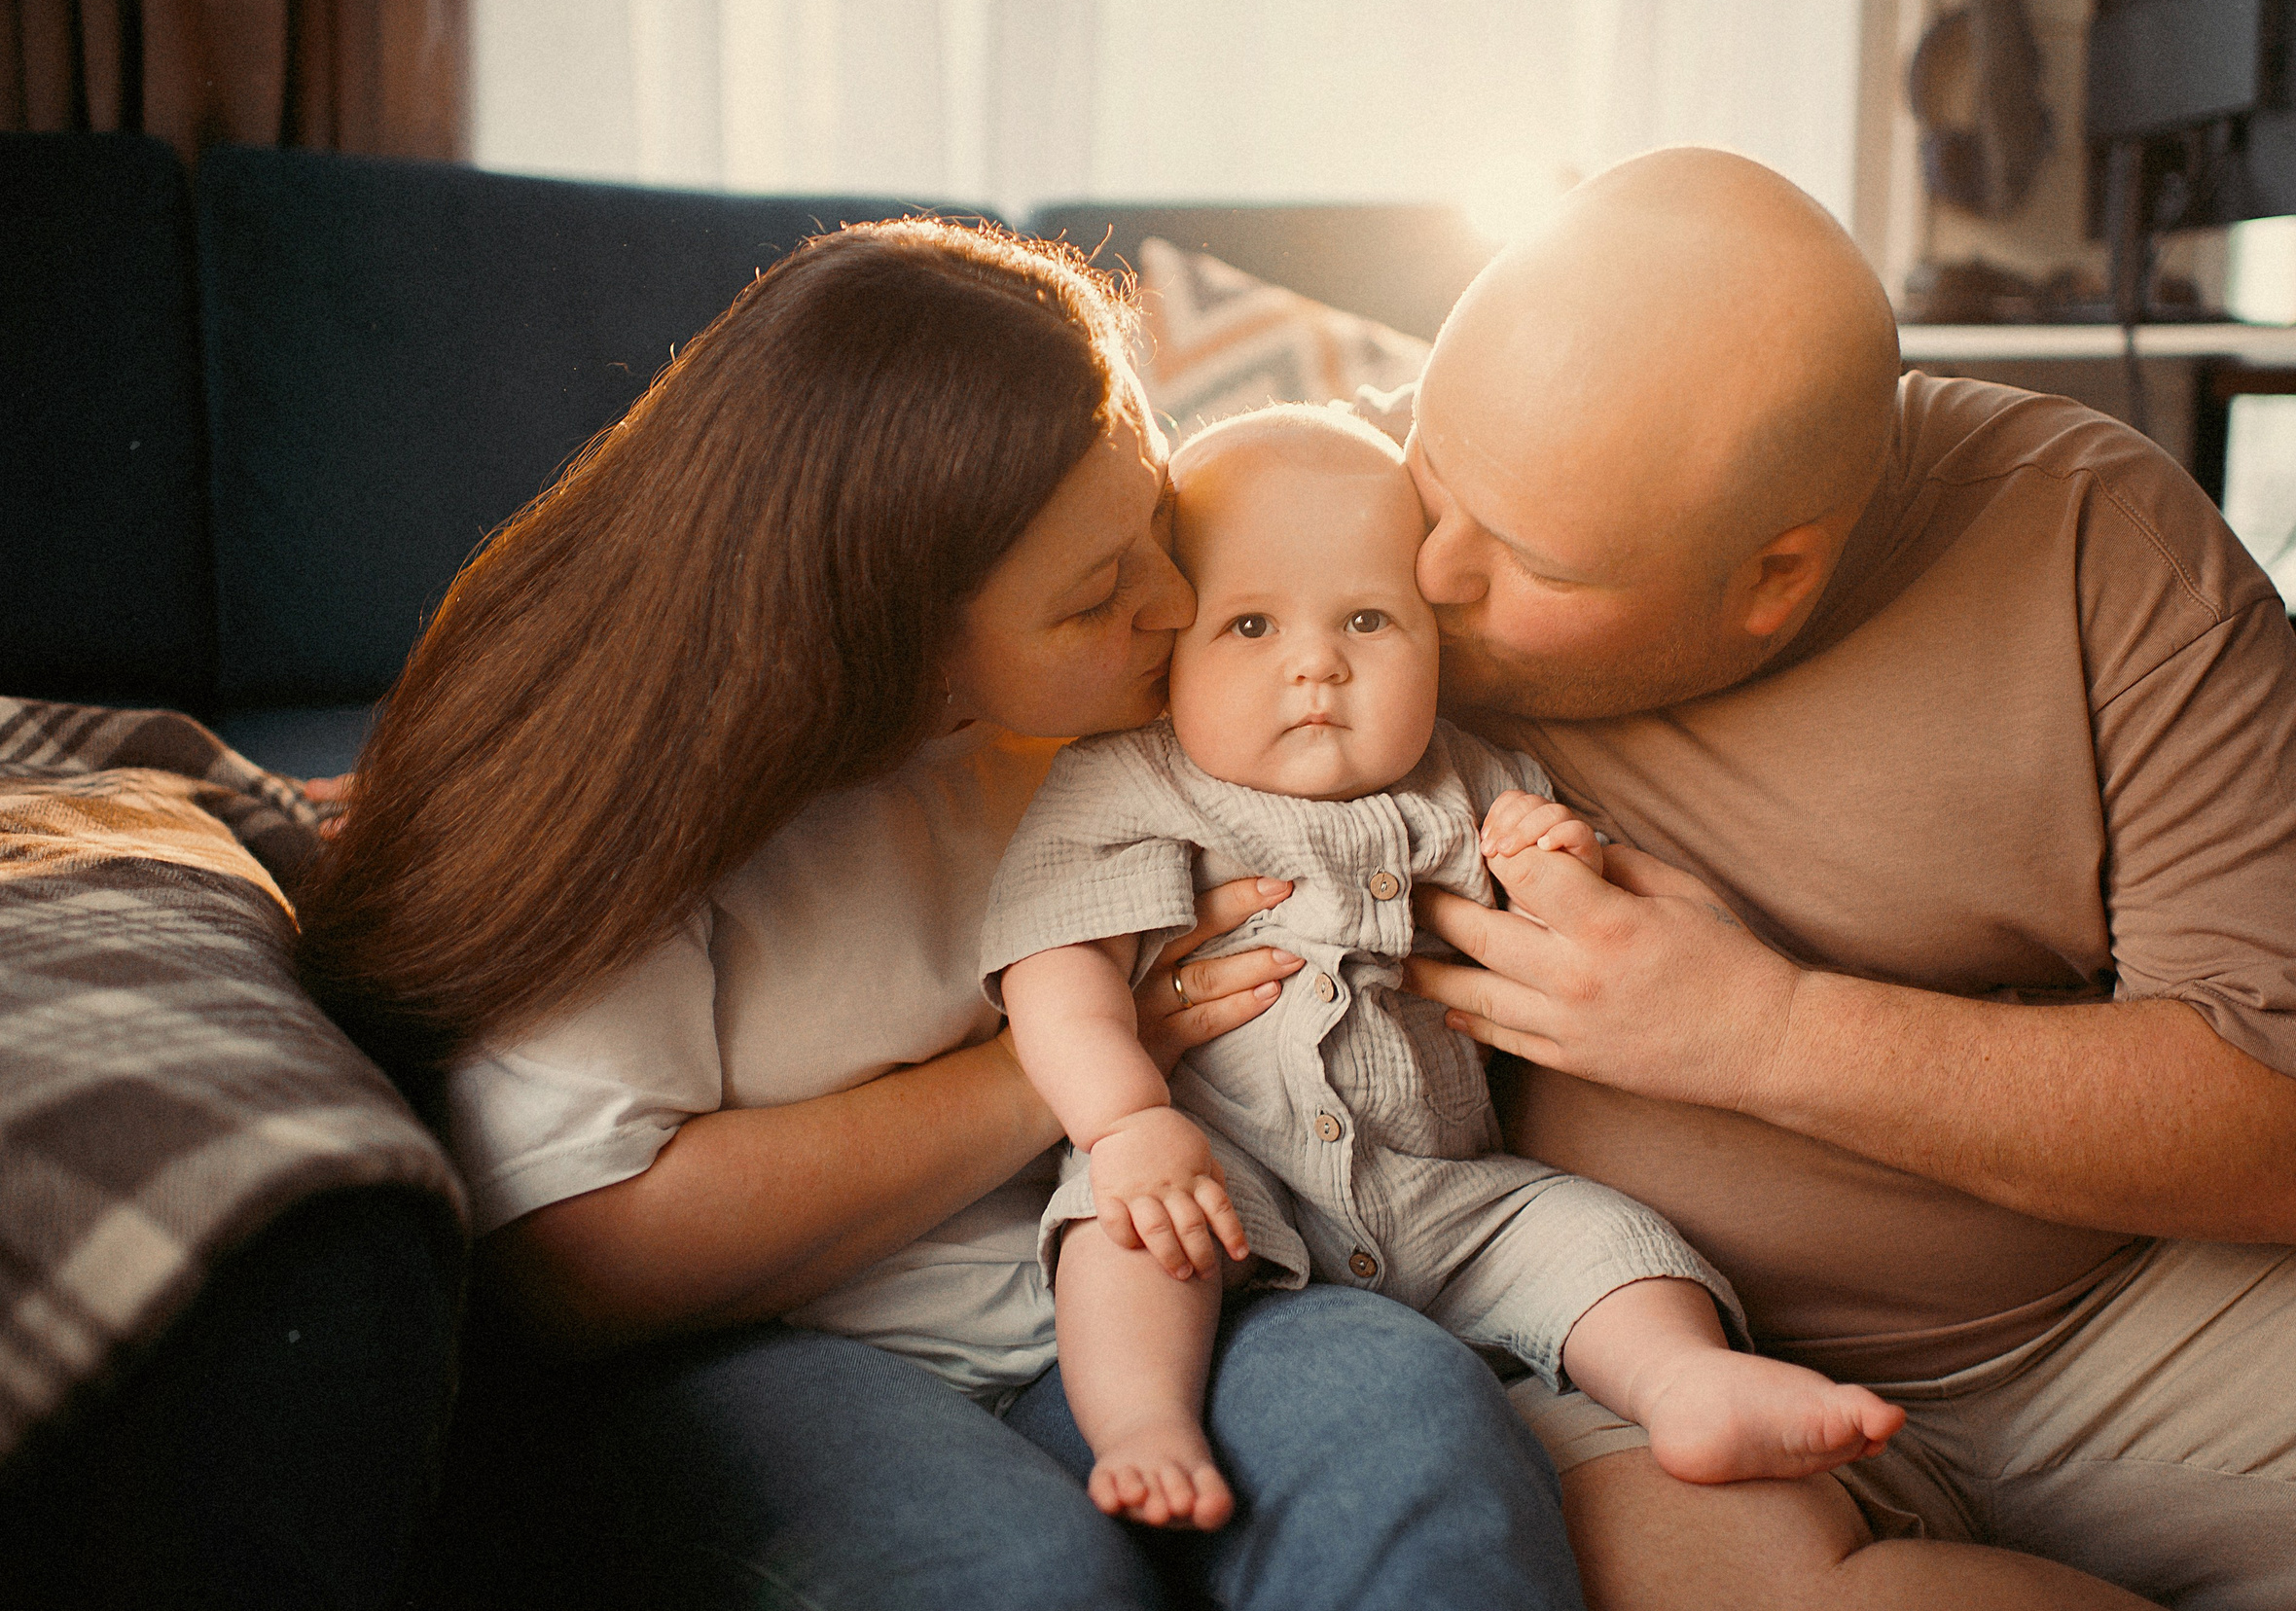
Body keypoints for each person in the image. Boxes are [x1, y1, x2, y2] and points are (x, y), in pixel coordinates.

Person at [293, 221, 1585, 1611]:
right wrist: (1075, 1061)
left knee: (1410, 1434)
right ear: (894, 635)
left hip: (1146, 1256)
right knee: (1018, 1580)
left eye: (1154, 522)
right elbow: (580, 1257)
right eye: (1099, 595)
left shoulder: (1114, 696)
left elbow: (1377, 485)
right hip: (781, 1341)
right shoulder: (639, 795)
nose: (1173, 601)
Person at [1382, 143, 2296, 1611]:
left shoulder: (2087, 530)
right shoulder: (1335, 528)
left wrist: (1762, 1032)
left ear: (1774, 575)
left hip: (2147, 1304)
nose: (1430, 570)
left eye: (1532, 559)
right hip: (1640, 1356)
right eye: (1431, 458)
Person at [983, 405, 1904, 1530]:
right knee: (1121, 1225)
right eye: (1250, 624)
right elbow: (1055, 967)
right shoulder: (1132, 782)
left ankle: (1685, 1384)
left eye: (1368, 620)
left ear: (1436, 643)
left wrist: (1556, 855)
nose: (1317, 663)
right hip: (1224, 1163)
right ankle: (1143, 1425)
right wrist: (1124, 1121)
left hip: (1445, 1188)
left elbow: (1603, 930)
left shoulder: (1469, 778)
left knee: (1599, 1237)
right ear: (1167, 649)